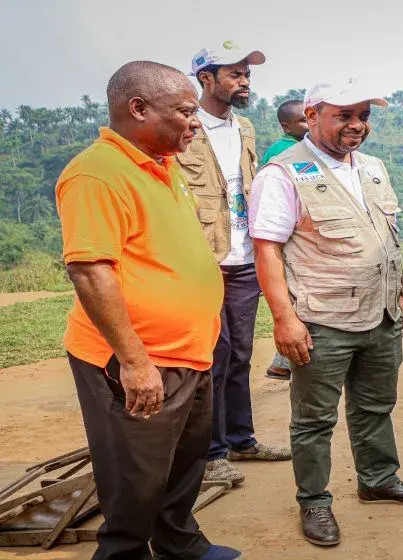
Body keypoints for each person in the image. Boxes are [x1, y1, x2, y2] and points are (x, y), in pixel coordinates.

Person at [56, 61, 239, 560]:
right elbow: (91, 272)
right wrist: (134, 362)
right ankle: (124, 553)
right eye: (184, 111)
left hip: (189, 352)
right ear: (138, 108)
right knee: (135, 476)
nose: (195, 122)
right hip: (138, 358)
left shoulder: (162, 163)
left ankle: (180, 545)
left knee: (184, 461)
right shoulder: (97, 174)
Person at [250, 78, 403, 547]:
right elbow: (267, 250)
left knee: (376, 406)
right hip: (322, 320)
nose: (357, 125)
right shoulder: (282, 174)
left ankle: (378, 480)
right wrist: (284, 318)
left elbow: (384, 239)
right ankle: (314, 502)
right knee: (314, 420)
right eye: (344, 115)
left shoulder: (372, 167)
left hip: (381, 315)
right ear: (312, 116)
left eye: (363, 116)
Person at [178, 40, 290, 486]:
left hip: (244, 256)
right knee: (213, 354)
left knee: (241, 352)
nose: (245, 81)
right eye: (236, 74)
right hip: (203, 258)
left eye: (247, 73)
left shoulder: (244, 127)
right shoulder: (185, 128)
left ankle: (242, 440)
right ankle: (210, 452)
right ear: (207, 79)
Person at [261, 98, 309, 381]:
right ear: (286, 126)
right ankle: (285, 360)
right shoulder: (288, 151)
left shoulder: (283, 148)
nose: (308, 124)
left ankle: (282, 362)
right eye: (302, 120)